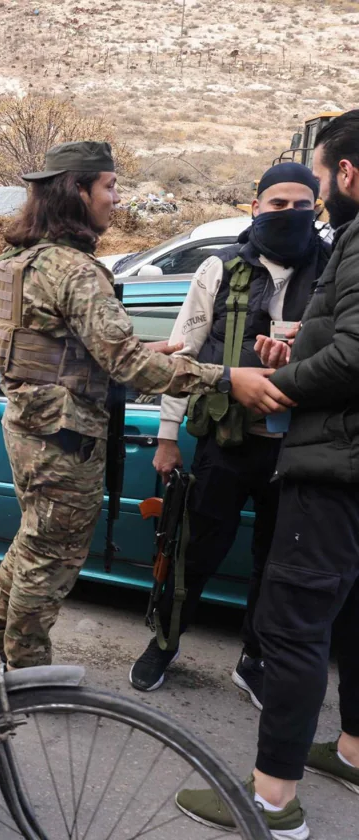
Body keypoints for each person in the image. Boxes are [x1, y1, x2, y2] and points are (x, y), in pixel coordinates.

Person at [0, 141, 291, 672]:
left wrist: (143, 351)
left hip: (33, 430)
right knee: (49, 560)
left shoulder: (22, 261)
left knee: (30, 548)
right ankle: (29, 671)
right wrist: (226, 377)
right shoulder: (76, 271)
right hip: (64, 442)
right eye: (109, 186)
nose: (115, 199)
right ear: (78, 191)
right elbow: (132, 370)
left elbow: (54, 352)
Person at [177, 109, 359, 840]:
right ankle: (349, 751)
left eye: (315, 181)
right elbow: (339, 339)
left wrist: (281, 384)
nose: (310, 200)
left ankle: (271, 803)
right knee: (350, 620)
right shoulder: (231, 263)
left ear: (345, 173)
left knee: (291, 626)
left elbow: (352, 356)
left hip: (334, 467)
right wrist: (299, 353)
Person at [129, 162, 331, 701]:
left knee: (275, 565)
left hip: (299, 450)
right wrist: (169, 438)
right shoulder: (217, 270)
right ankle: (165, 644)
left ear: (319, 208)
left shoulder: (334, 271)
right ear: (255, 207)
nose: (289, 214)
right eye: (277, 204)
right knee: (194, 551)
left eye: (301, 205)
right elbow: (182, 352)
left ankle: (254, 658)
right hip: (225, 443)